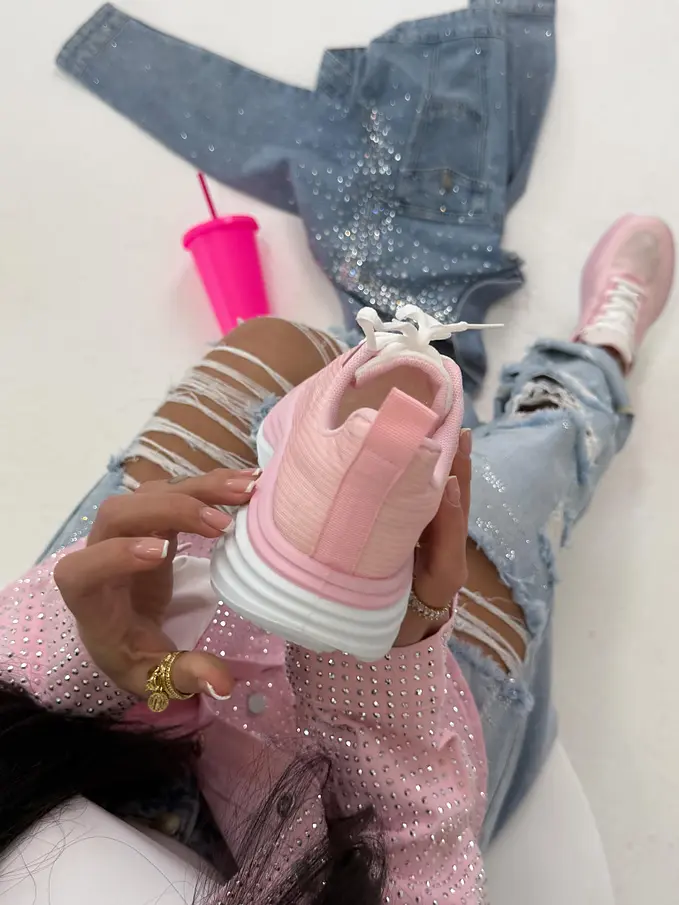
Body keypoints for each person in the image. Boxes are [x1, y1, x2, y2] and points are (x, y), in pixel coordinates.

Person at [0, 214, 673, 904]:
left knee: (273, 346)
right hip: (361, 824)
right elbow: (421, 880)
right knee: (510, 491)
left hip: (71, 742)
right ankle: (580, 380)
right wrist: (390, 662)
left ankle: (433, 367)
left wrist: (96, 656)